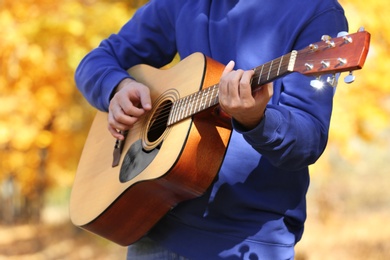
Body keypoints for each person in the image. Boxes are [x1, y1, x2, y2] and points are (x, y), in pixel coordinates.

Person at [75, 0, 348, 259]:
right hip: (154, 224)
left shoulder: (316, 11)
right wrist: (116, 87)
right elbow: (97, 61)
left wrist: (256, 120)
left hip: (246, 241)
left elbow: (308, 141)